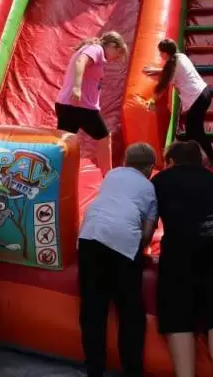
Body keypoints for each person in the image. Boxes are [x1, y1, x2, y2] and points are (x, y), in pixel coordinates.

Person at [151, 141, 213, 377]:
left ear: (171, 161)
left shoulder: (161, 180)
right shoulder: (211, 179)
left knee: (177, 311)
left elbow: (150, 221)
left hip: (182, 241)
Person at [78, 143, 159, 377]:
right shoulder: (149, 187)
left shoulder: (112, 175)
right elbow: (147, 232)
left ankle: (94, 368)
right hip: (123, 240)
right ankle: (132, 369)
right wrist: (138, 249)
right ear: (150, 168)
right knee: (130, 310)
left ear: (125, 161)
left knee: (93, 308)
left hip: (90, 235)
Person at [56, 31, 128, 176]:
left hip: (68, 104)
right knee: (104, 137)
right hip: (81, 106)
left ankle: (58, 174)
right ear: (112, 45)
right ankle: (108, 176)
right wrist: (77, 87)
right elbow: (80, 61)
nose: (117, 58)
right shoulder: (96, 49)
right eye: (118, 52)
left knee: (65, 142)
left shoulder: (93, 49)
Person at [143, 38, 213, 165]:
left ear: (165, 53)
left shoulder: (171, 67)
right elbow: (172, 71)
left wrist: (151, 100)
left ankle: (205, 159)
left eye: (161, 52)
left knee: (196, 133)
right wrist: (156, 71)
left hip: (197, 99)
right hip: (204, 93)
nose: (160, 55)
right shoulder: (181, 56)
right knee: (193, 131)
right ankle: (200, 155)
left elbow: (161, 88)